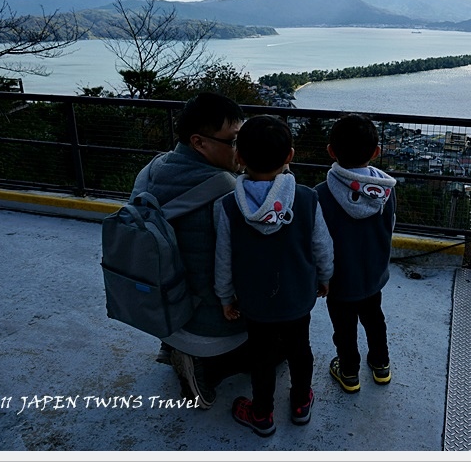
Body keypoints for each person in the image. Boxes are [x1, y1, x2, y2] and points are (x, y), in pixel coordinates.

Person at [214, 114, 333, 437]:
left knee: (261, 358)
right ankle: (299, 404)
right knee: (300, 350)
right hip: (298, 297)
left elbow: (223, 258)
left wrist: (225, 296)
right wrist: (325, 277)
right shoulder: (308, 198)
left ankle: (262, 414)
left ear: (238, 157)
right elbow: (322, 246)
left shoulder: (227, 206)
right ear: (290, 157)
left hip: (255, 302)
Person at [128, 92, 249, 411]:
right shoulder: (229, 192)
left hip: (162, 312)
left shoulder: (149, 171)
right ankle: (208, 368)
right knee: (278, 349)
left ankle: (173, 347)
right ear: (199, 142)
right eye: (234, 140)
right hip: (214, 324)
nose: (242, 149)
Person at [314, 113, 397, 394]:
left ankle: (349, 372)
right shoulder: (387, 191)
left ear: (331, 152)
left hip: (338, 282)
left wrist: (321, 277)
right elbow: (389, 229)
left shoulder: (320, 195)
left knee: (344, 328)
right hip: (373, 274)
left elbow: (319, 244)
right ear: (376, 152)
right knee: (375, 320)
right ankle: (381, 364)